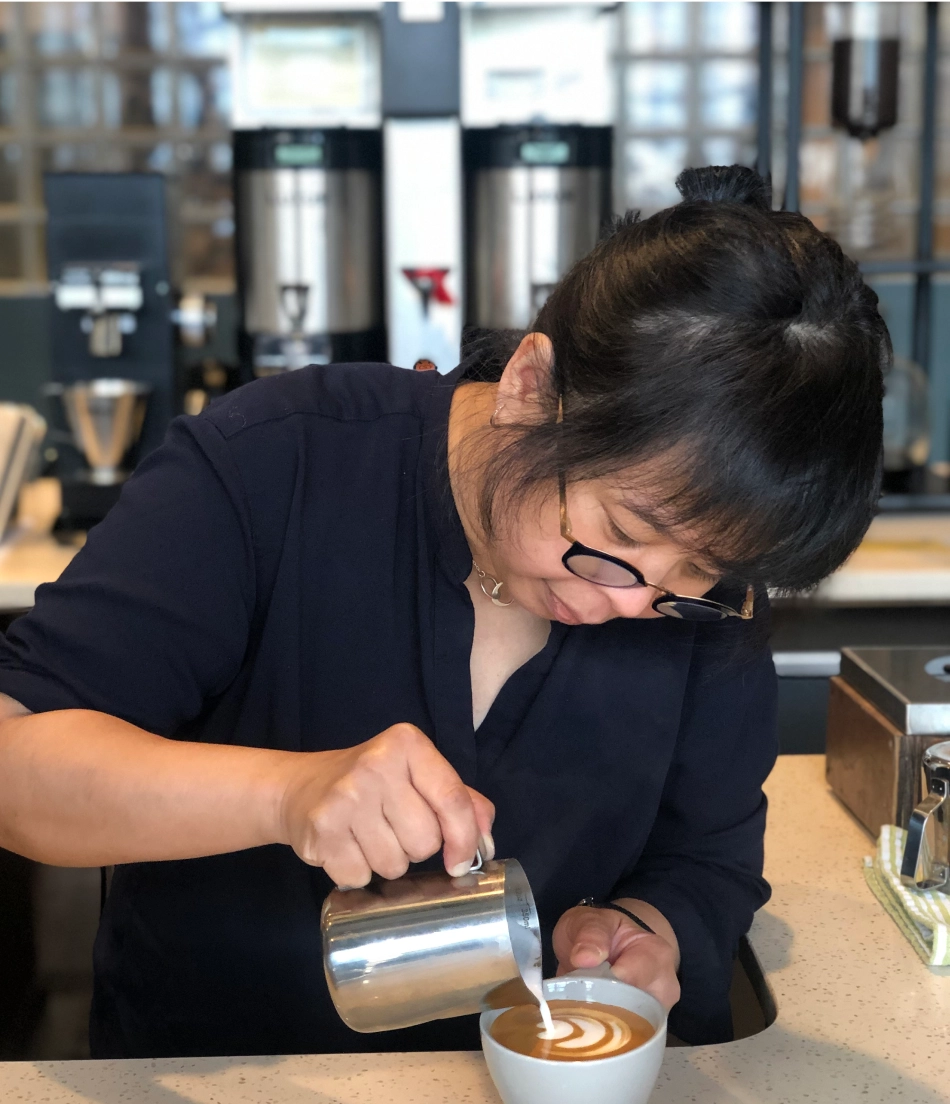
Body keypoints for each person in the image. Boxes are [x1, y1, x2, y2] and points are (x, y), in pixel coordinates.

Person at [0, 166, 889, 1057]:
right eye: (618, 529)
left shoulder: (702, 597)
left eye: (694, 572)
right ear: (532, 387)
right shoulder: (276, 466)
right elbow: (15, 760)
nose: (628, 599)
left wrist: (637, 925)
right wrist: (286, 793)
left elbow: (708, 858)